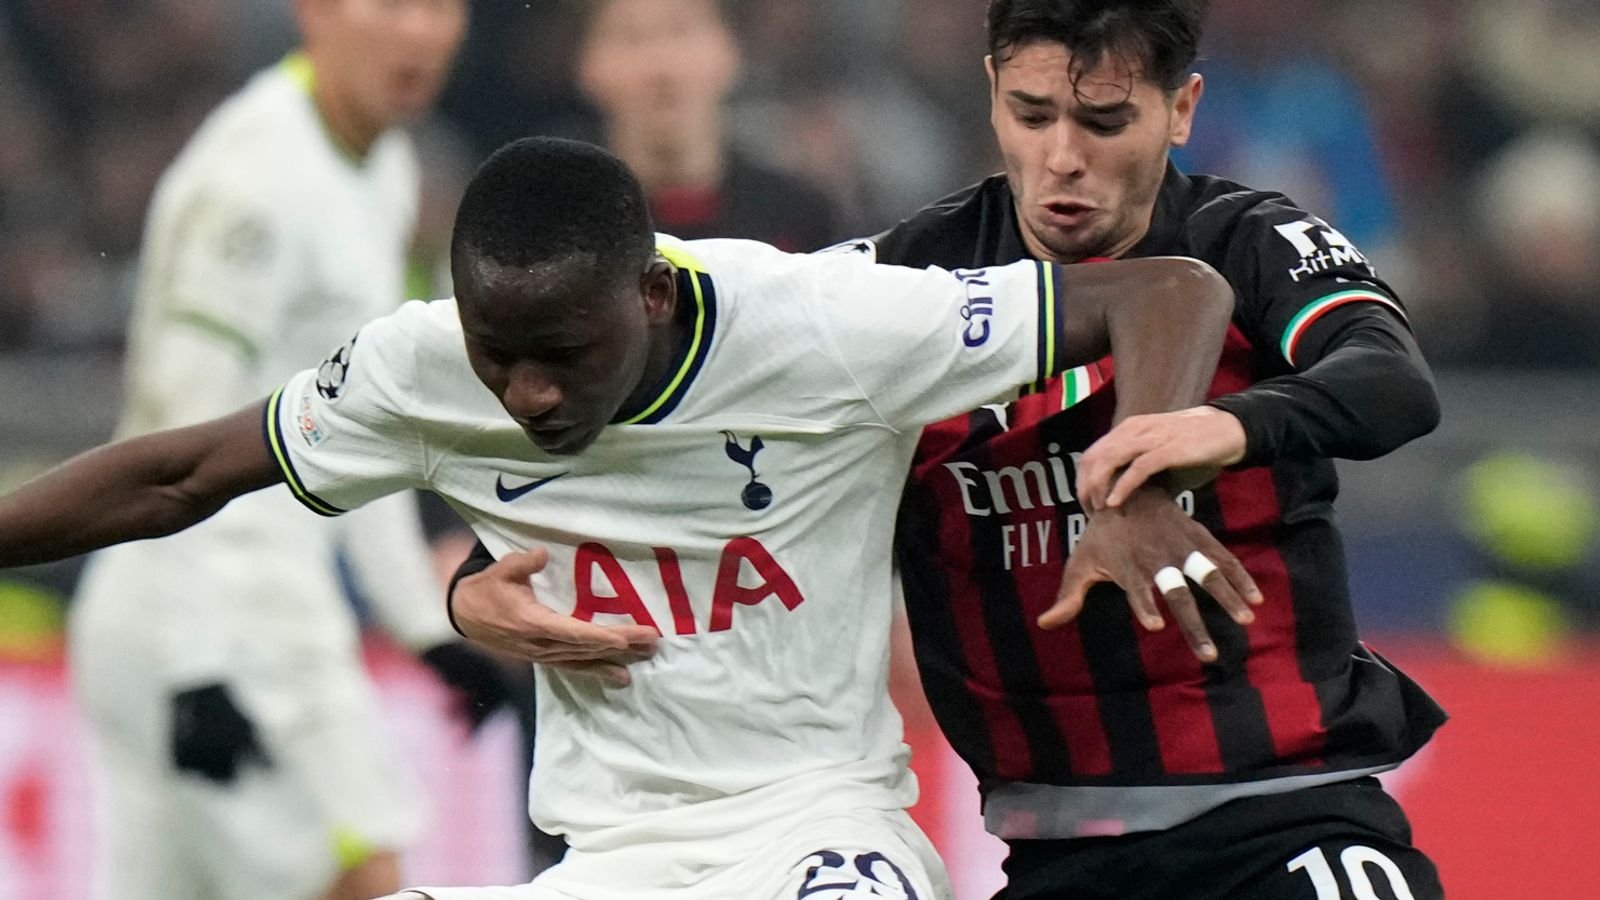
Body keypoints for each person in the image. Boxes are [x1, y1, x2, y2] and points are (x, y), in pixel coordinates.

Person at [0, 136, 1247, 899]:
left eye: (564, 352)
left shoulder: (826, 323)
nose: (531, 393)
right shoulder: (420, 368)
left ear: (651, 291)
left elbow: (1165, 292)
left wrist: (1140, 486)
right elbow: (181, 475)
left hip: (814, 835)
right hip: (604, 865)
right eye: (500, 356)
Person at [451, 2, 1450, 898]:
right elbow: (702, 450)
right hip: (1054, 851)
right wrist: (482, 573)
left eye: (1104, 122)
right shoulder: (901, 281)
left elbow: (1389, 379)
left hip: (1286, 821)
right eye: (1031, 113)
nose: (1062, 158)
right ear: (990, 92)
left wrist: (1221, 426)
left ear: (1179, 109)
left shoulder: (1250, 242)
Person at [64, 2, 507, 899]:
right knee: (365, 878)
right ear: (313, 12)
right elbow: (172, 428)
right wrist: (195, 665)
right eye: (389, 5)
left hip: (231, 614)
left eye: (440, 7)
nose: (421, 34)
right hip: (213, 624)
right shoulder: (251, 182)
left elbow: (357, 423)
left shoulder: (378, 164)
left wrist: (423, 626)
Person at [574, 0, 840, 251]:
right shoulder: (561, 225)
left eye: (682, 30)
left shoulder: (800, 217)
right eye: (632, 37)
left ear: (730, 50)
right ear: (587, 65)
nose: (662, 66)